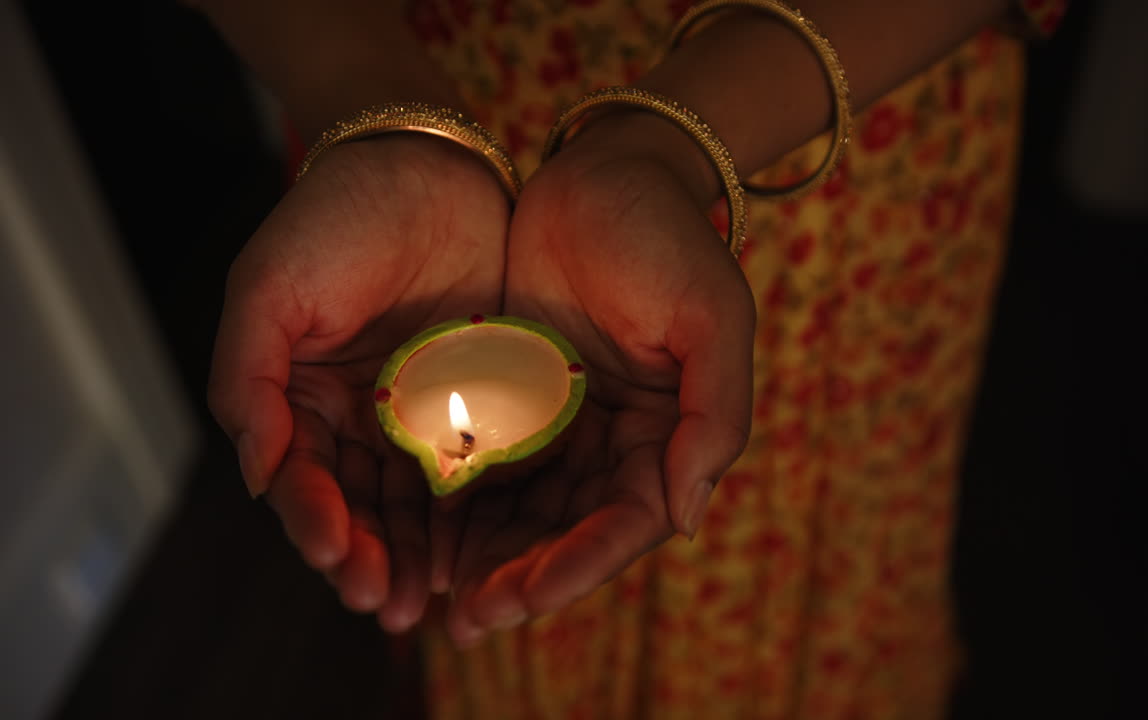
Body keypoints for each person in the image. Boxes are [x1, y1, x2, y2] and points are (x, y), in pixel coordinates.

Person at [201, 0, 1065, 717]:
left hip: (840, 102)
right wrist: (377, 107)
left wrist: (675, 143)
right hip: (409, 93)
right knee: (497, 589)